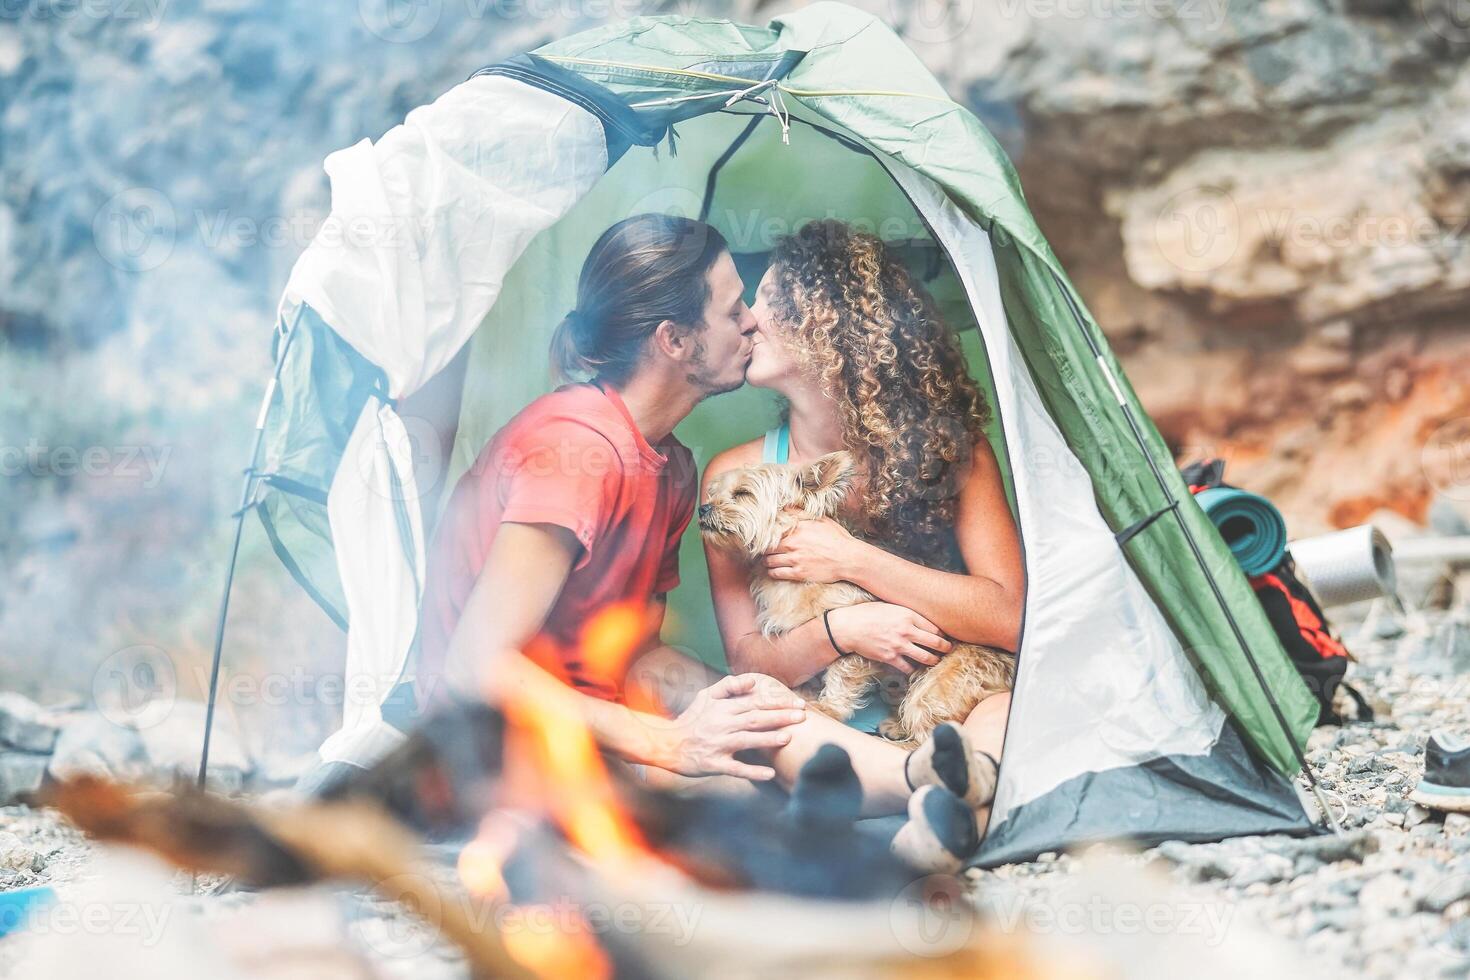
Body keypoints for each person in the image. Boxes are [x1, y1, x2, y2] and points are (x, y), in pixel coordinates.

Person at [417, 213, 809, 783]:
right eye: (732, 311)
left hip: (589, 728)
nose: (752, 323)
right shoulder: (574, 452)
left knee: (773, 758)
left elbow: (638, 654)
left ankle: (924, 786)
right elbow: (475, 669)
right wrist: (668, 742)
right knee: (747, 812)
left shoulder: (671, 467)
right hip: (484, 754)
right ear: (674, 340)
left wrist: (741, 706)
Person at [702, 220, 1026, 863]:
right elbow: (748, 661)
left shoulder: (952, 452)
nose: (748, 320)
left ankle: (950, 803)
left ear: (829, 324)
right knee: (774, 718)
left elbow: (1012, 621)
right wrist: (843, 630)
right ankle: (944, 801)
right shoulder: (735, 479)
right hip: (836, 723)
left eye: (767, 300)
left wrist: (853, 559)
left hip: (949, 706)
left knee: (1003, 703)